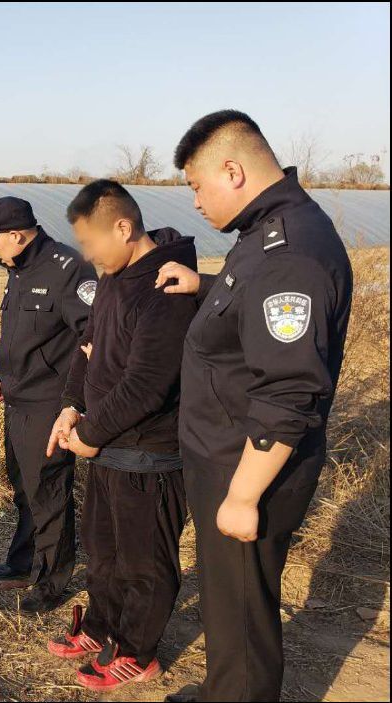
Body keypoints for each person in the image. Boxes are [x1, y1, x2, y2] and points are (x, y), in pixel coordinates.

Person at [156, 110, 353, 702]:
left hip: (246, 463)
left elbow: (289, 390)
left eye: (196, 184)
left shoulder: (286, 252)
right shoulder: (266, 233)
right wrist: (208, 285)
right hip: (228, 450)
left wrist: (243, 496)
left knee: (242, 607)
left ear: (233, 171)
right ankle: (224, 689)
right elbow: (256, 304)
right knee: (226, 596)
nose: (194, 201)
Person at [42, 180, 197, 692]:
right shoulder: (113, 277)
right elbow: (88, 349)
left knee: (143, 561)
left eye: (90, 242)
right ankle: (102, 627)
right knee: (102, 551)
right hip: (107, 447)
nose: (86, 254)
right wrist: (71, 407)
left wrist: (91, 432)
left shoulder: (165, 288)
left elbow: (146, 384)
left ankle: (138, 651)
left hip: (150, 453)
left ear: (123, 228)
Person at [0, 196, 97, 613]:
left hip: (49, 404)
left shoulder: (68, 269)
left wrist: (73, 404)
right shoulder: (18, 269)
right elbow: (19, 332)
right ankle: (24, 564)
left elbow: (92, 340)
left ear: (16, 236)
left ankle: (52, 579)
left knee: (49, 492)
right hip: (18, 399)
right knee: (24, 488)